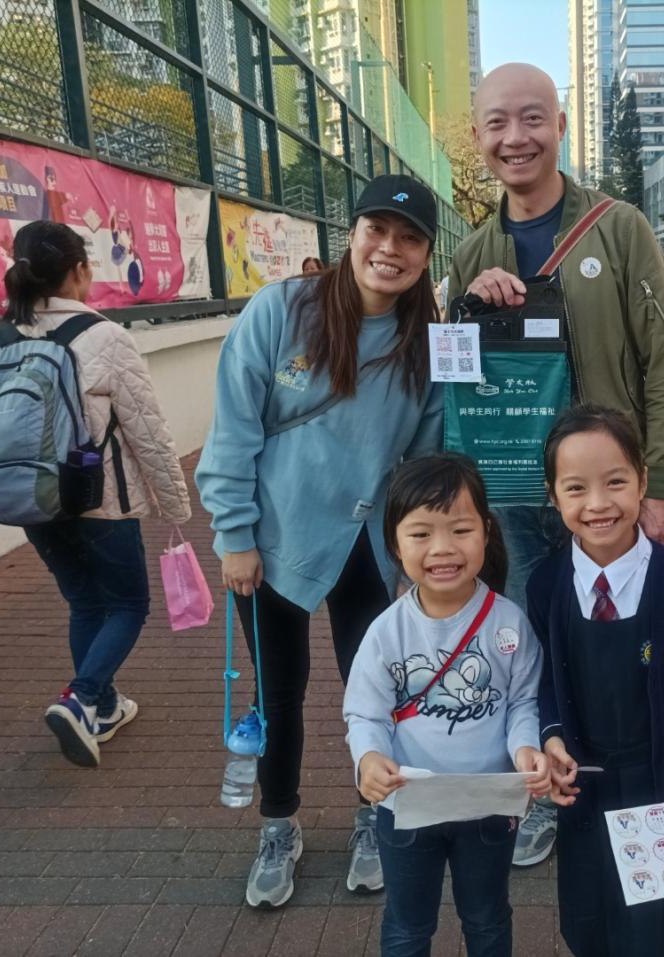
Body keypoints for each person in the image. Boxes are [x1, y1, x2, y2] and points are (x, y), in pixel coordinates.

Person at [447, 61, 664, 868]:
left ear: (559, 125)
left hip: (608, 495)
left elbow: (662, 358)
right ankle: (546, 788)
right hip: (517, 492)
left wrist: (661, 482)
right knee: (533, 641)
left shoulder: (619, 229)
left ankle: (640, 786)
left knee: (624, 641)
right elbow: (458, 378)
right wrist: (468, 308)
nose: (515, 138)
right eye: (497, 123)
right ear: (478, 136)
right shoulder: (472, 250)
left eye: (532, 118)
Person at [196, 173, 444, 908]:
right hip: (271, 543)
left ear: (427, 254)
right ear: (352, 234)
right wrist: (234, 535)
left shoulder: (424, 341)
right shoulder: (282, 309)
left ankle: (374, 815)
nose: (390, 249)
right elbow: (233, 427)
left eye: (410, 239)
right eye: (377, 230)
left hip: (366, 546)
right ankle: (279, 824)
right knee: (280, 691)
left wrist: (417, 552)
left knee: (376, 693)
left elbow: (425, 457)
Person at [0, 220, 191, 767]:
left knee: (84, 602)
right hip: (101, 502)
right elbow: (147, 431)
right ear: (79, 270)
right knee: (128, 605)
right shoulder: (104, 336)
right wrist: (176, 505)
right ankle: (80, 699)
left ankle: (102, 707)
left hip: (31, 501)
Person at [528, 404, 664, 957]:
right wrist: (551, 735)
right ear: (554, 496)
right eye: (576, 488)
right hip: (589, 786)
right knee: (597, 918)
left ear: (643, 482)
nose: (598, 504)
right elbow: (542, 677)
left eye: (616, 482)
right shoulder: (546, 585)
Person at [343, 453, 550, 956]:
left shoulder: (509, 622)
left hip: (488, 803)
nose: (442, 548)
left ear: (486, 532)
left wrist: (526, 748)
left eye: (460, 530)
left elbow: (523, 701)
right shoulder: (386, 631)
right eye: (421, 534)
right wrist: (368, 759)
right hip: (408, 803)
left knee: (487, 918)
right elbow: (365, 713)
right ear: (395, 543)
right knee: (408, 925)